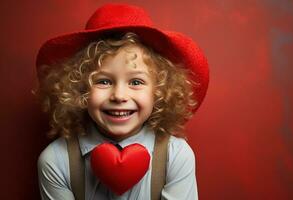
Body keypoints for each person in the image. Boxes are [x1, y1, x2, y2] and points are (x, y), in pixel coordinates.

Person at [36, 3, 209, 200]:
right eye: (103, 81)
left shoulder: (175, 157)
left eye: (136, 82)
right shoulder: (57, 161)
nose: (119, 95)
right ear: (80, 90)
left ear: (159, 91)